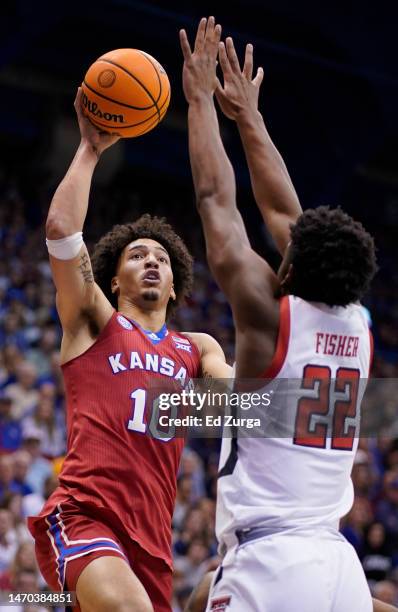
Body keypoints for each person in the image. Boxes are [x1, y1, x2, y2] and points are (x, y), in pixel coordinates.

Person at [180, 16, 383, 612]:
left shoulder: (269, 319)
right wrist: (249, 116)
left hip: (272, 564)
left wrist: (198, 101)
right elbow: (286, 213)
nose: (281, 243)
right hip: (335, 562)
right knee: (195, 598)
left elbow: (217, 201)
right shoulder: (361, 324)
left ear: (289, 271)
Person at [26, 88, 230, 612]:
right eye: (138, 255)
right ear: (114, 279)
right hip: (83, 517)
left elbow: (232, 404)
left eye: (161, 257)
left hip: (152, 545)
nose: (152, 262)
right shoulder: (95, 320)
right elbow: (61, 232)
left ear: (175, 283)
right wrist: (91, 149)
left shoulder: (197, 346)